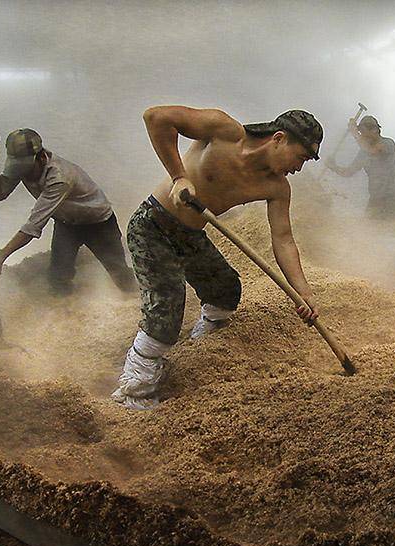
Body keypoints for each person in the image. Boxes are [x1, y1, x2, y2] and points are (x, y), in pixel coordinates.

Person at [112, 107, 323, 410]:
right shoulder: (224, 131)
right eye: (300, 158)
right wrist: (179, 177)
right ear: (279, 139)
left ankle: (202, 344)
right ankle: (135, 389)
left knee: (225, 289)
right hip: (153, 225)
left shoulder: (276, 187)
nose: (299, 168)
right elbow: (155, 118)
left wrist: (303, 292)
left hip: (191, 235)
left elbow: (283, 239)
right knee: (168, 303)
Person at [0, 128, 136, 294]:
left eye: (27, 168)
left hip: (98, 223)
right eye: (19, 168)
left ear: (42, 157)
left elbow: (33, 226)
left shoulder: (60, 178)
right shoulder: (22, 167)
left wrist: (1, 256)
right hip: (67, 225)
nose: (24, 173)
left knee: (120, 275)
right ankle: (68, 312)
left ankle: (142, 299)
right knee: (58, 277)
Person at [325, 115, 395, 220]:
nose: (363, 138)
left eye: (365, 134)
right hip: (374, 200)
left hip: (390, 200)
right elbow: (348, 172)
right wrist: (333, 167)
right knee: (367, 230)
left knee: (387, 233)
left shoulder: (388, 143)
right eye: (362, 134)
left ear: (375, 130)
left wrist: (354, 133)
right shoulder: (364, 152)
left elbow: (373, 151)